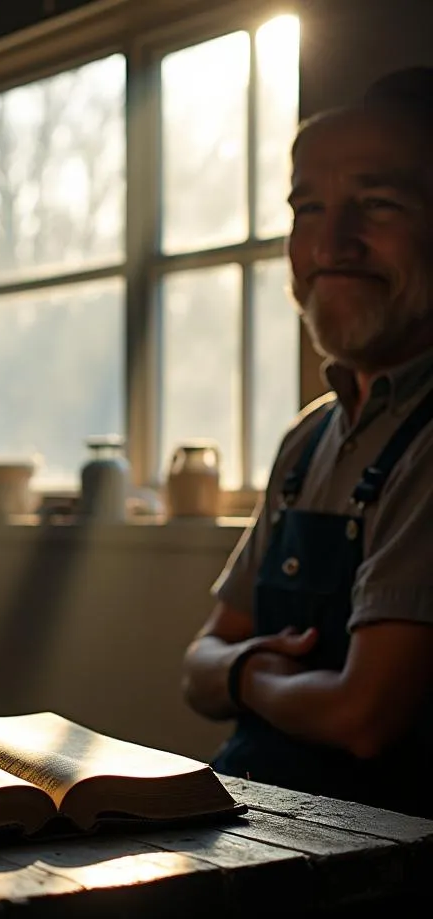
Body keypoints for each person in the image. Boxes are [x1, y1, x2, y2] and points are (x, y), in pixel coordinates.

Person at [181, 68, 433, 818]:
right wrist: (250, 674)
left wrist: (247, 678)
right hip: (255, 831)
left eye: (377, 205)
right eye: (308, 208)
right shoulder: (310, 435)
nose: (331, 243)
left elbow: (364, 717)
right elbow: (194, 665)